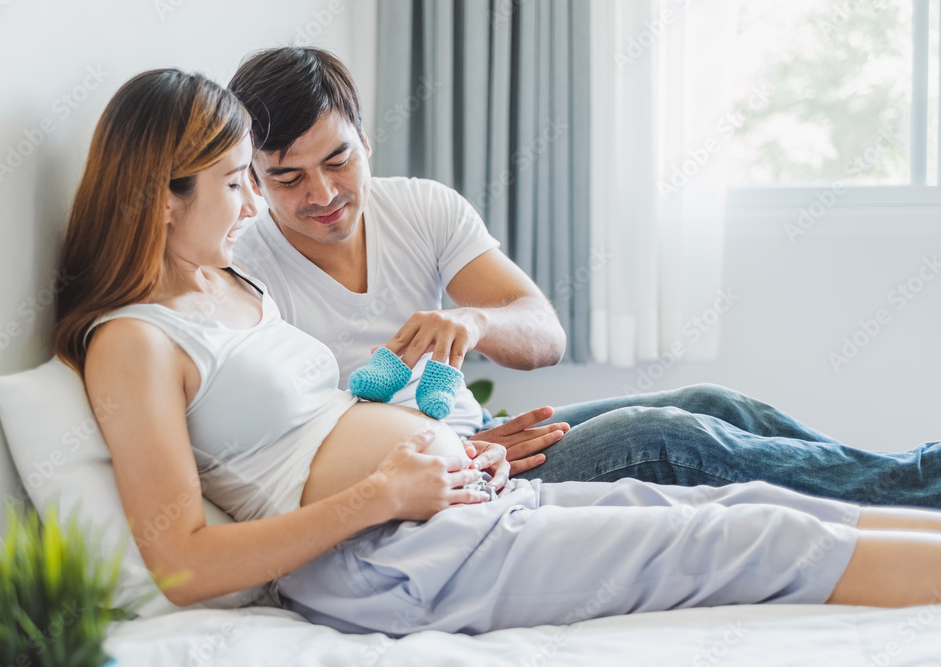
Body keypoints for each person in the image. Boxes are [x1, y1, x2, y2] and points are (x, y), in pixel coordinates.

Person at [52, 68, 941, 638]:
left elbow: (523, 334)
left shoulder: (227, 286)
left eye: (271, 172)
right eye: (249, 178)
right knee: (746, 529)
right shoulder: (135, 339)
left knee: (751, 487)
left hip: (453, 490)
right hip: (389, 546)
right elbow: (181, 563)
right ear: (161, 197)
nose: (262, 200)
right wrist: (385, 489)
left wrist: (453, 422)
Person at [225, 46, 941, 508]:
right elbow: (294, 441)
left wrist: (475, 320)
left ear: (366, 138)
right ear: (252, 178)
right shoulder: (246, 272)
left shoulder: (420, 207)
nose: (321, 194)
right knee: (661, 436)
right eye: (286, 177)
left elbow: (544, 334)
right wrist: (456, 450)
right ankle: (919, 486)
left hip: (488, 442)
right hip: (440, 480)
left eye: (338, 162)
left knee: (713, 401)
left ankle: (908, 478)